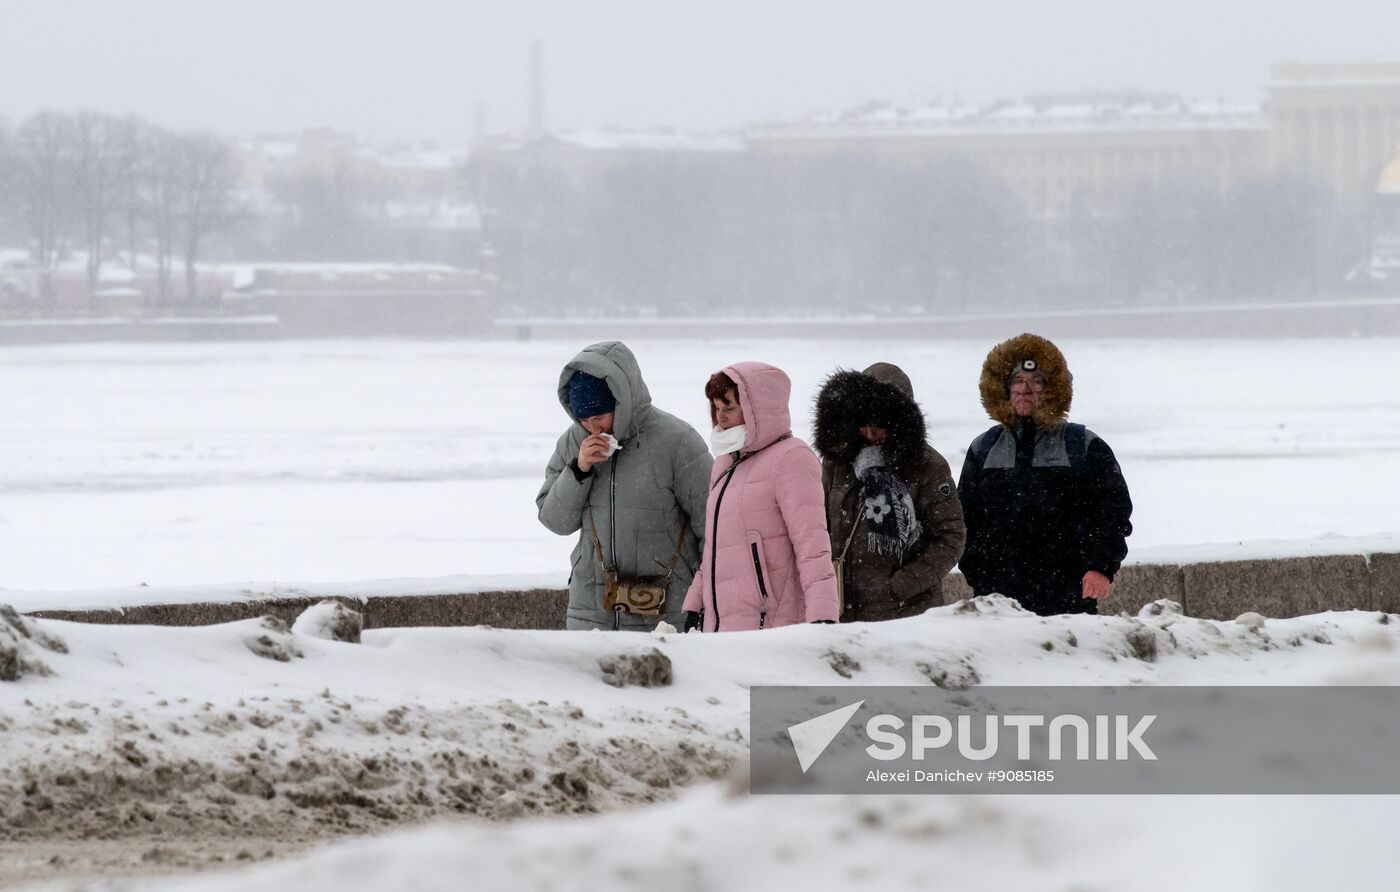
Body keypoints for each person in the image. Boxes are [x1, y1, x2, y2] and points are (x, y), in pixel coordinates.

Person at [536, 341, 712, 630]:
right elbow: (556, 521)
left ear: (622, 401)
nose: (593, 429)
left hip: (666, 616)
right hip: (590, 614)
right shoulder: (572, 441)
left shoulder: (677, 441)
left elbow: (713, 526)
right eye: (583, 419)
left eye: (600, 417)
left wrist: (702, 597)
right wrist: (579, 470)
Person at [956, 333, 1133, 616]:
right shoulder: (984, 448)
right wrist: (979, 574)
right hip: (998, 601)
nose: (1025, 389)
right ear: (1003, 387)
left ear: (1052, 389)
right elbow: (965, 520)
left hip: (1068, 599)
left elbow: (1112, 513)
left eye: (1036, 381)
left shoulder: (1083, 446)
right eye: (1017, 381)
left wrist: (1100, 567)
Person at [681, 362, 839, 631]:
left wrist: (822, 617)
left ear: (757, 408)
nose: (720, 416)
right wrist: (695, 604)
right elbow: (716, 547)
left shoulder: (792, 458)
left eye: (729, 407)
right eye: (716, 408)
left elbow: (812, 547)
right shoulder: (724, 463)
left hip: (773, 626)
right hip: (719, 627)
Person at [814, 362, 966, 622]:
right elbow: (819, 524)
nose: (871, 434)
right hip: (843, 610)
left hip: (909, 614)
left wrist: (899, 587)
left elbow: (950, 538)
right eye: (864, 424)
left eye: (880, 425)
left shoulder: (928, 466)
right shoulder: (837, 460)